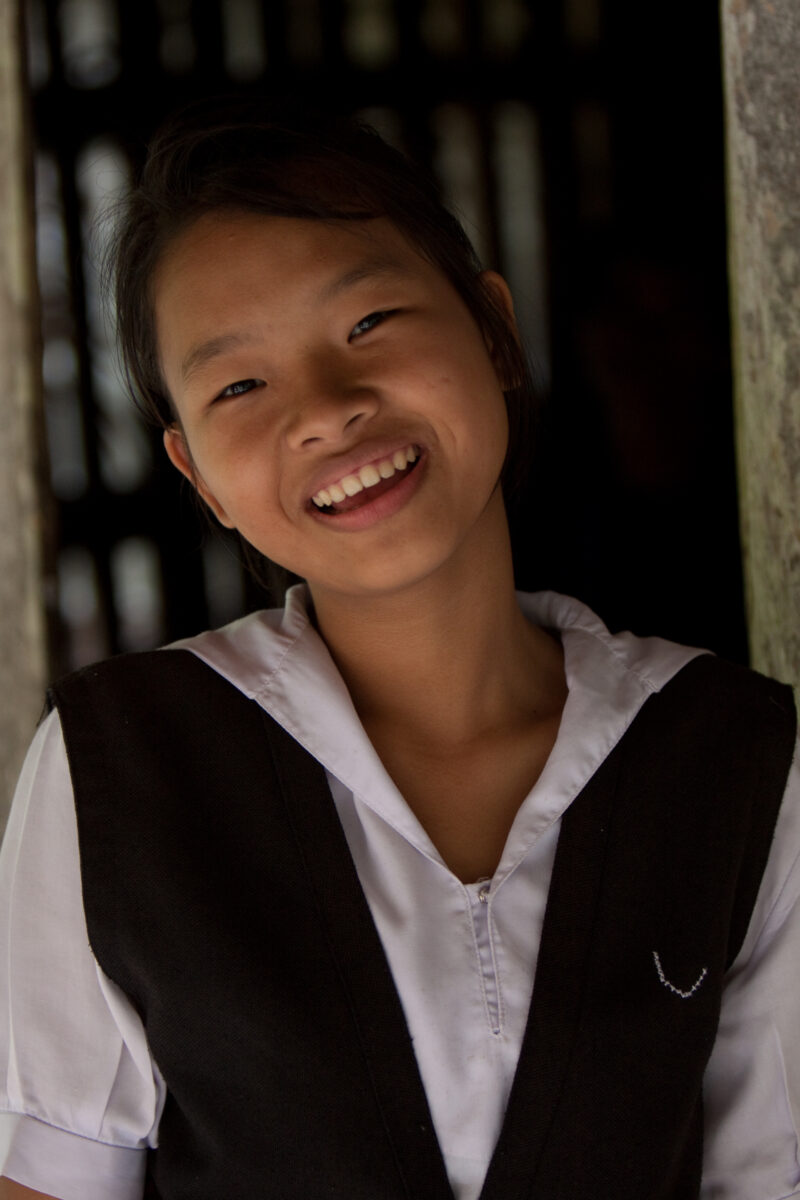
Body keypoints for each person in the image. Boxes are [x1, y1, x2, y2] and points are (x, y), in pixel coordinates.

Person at [0, 98, 798, 1200]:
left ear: (493, 333)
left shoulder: (734, 761)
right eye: (239, 384)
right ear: (197, 477)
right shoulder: (120, 769)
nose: (326, 411)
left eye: (368, 322)